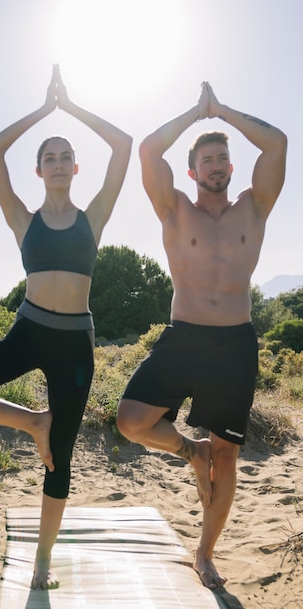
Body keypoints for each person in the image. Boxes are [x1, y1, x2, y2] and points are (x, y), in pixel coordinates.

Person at [0, 64, 132, 590]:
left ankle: (43, 560)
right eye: (50, 158)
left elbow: (124, 145)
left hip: (76, 345)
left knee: (59, 459)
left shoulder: (95, 217)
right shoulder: (24, 219)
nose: (59, 164)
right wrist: (45, 110)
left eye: (66, 157)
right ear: (39, 171)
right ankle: (29, 421)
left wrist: (74, 108)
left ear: (75, 168)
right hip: (29, 331)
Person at [117, 82, 287, 590]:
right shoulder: (174, 210)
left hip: (235, 344)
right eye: (206, 160)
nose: (216, 165)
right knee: (131, 421)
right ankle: (190, 451)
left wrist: (225, 113)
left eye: (222, 159)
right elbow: (148, 150)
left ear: (232, 167)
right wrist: (196, 113)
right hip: (184, 336)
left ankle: (205, 553)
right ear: (192, 171)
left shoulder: (255, 208)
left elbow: (277, 144)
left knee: (228, 455)